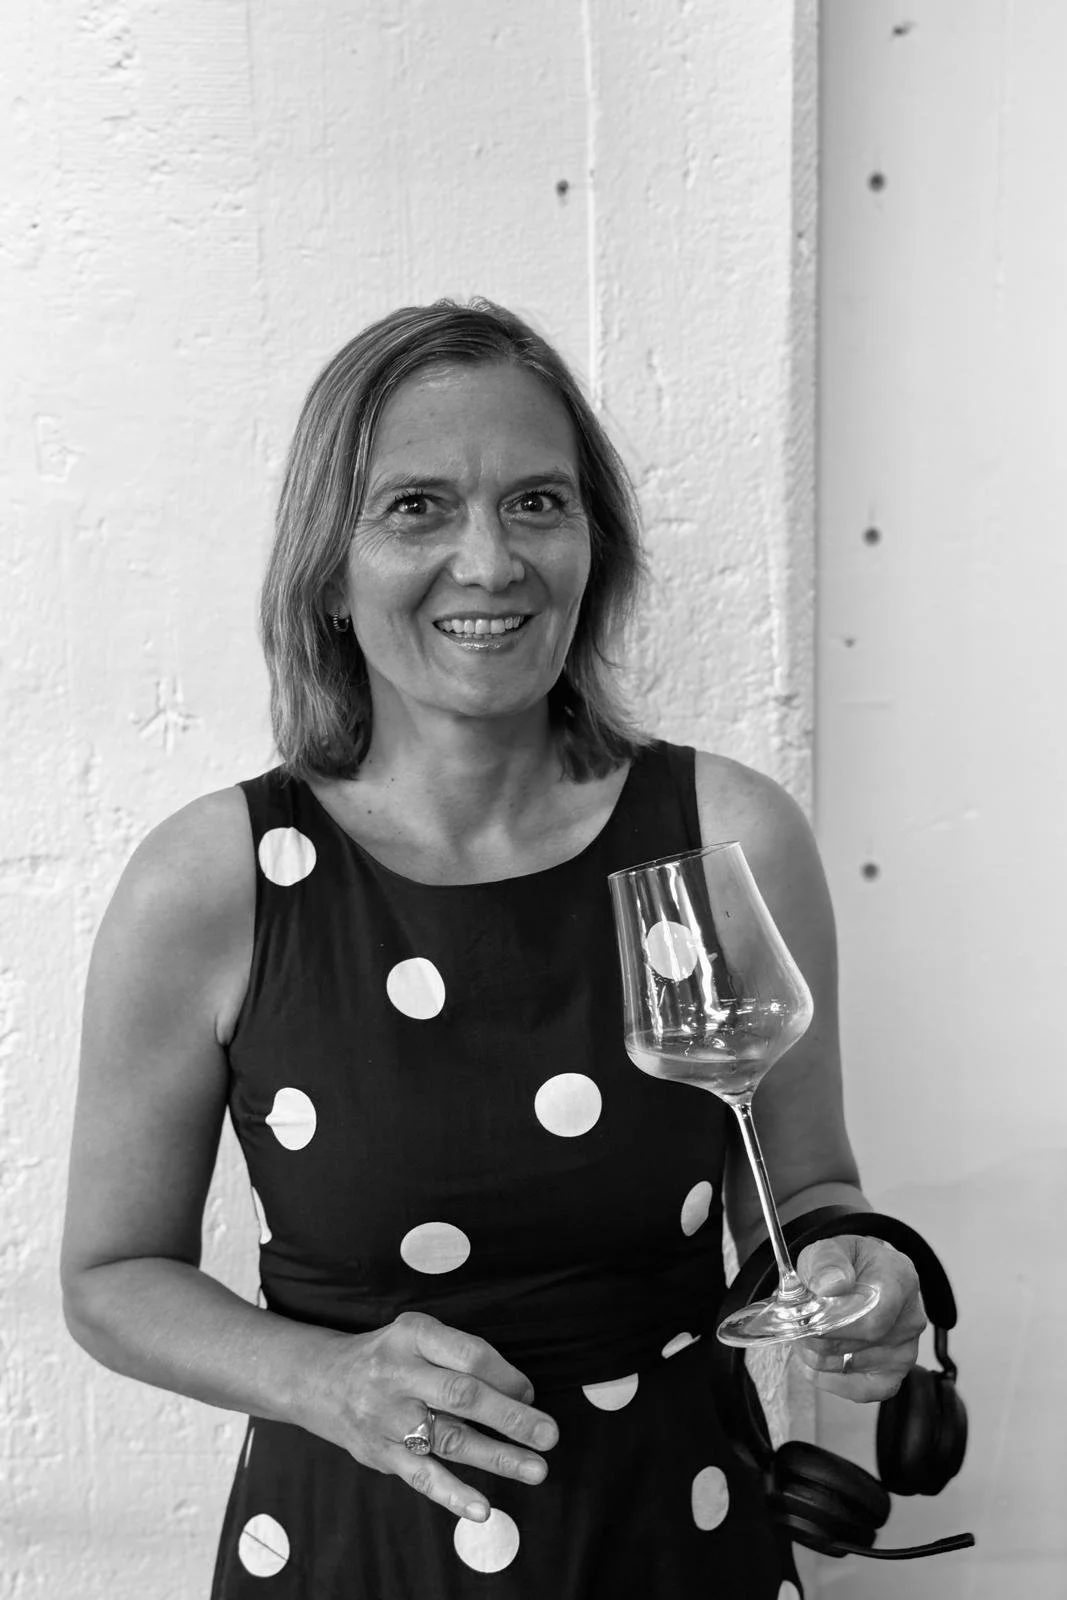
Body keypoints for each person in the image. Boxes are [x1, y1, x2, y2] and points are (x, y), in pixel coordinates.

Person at [60, 300, 927, 1597]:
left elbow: (799, 1193)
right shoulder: (221, 883)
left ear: (595, 547)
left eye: (537, 504)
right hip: (356, 1551)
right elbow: (109, 1275)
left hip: (674, 1537)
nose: (490, 561)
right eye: (418, 507)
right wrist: (325, 1380)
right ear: (329, 570)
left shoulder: (722, 838)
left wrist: (862, 1272)